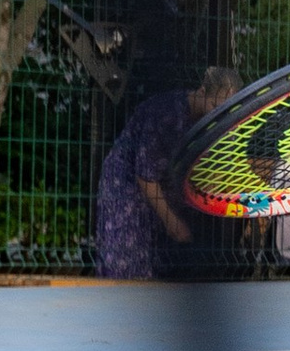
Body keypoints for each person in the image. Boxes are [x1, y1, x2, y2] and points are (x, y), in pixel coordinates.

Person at [94, 66, 237, 279]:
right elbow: (145, 176)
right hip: (127, 184)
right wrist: (173, 222)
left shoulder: (210, 123)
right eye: (215, 106)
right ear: (201, 92)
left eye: (224, 111)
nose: (218, 115)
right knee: (126, 261)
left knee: (162, 265)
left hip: (165, 187)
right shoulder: (165, 114)